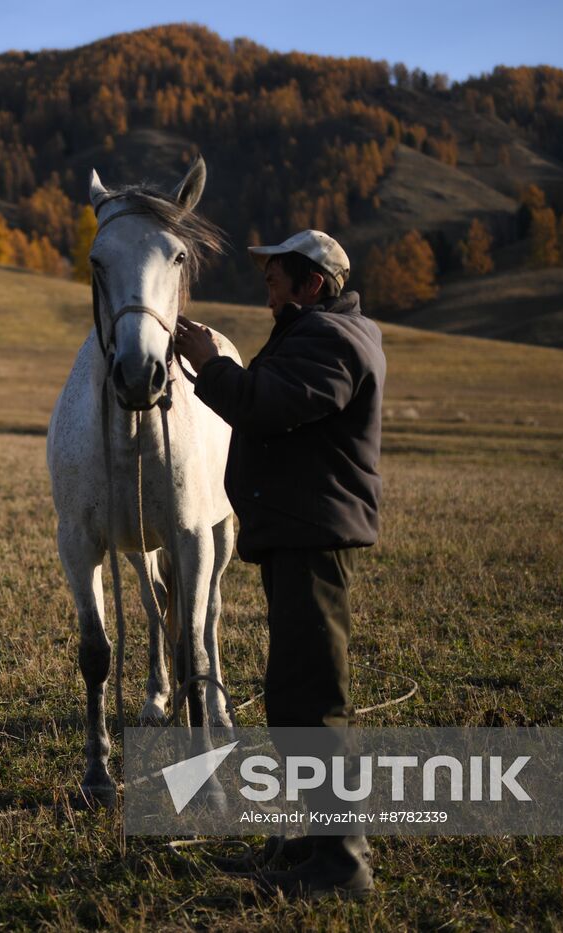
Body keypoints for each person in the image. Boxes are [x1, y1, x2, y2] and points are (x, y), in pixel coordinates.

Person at [172, 229, 385, 900]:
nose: (265, 286)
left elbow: (262, 403)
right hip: (295, 533)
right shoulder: (311, 334)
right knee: (295, 695)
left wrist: (209, 363)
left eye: (275, 277)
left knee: (315, 698)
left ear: (312, 284)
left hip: (311, 538)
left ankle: (343, 864)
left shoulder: (333, 341)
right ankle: (319, 840)